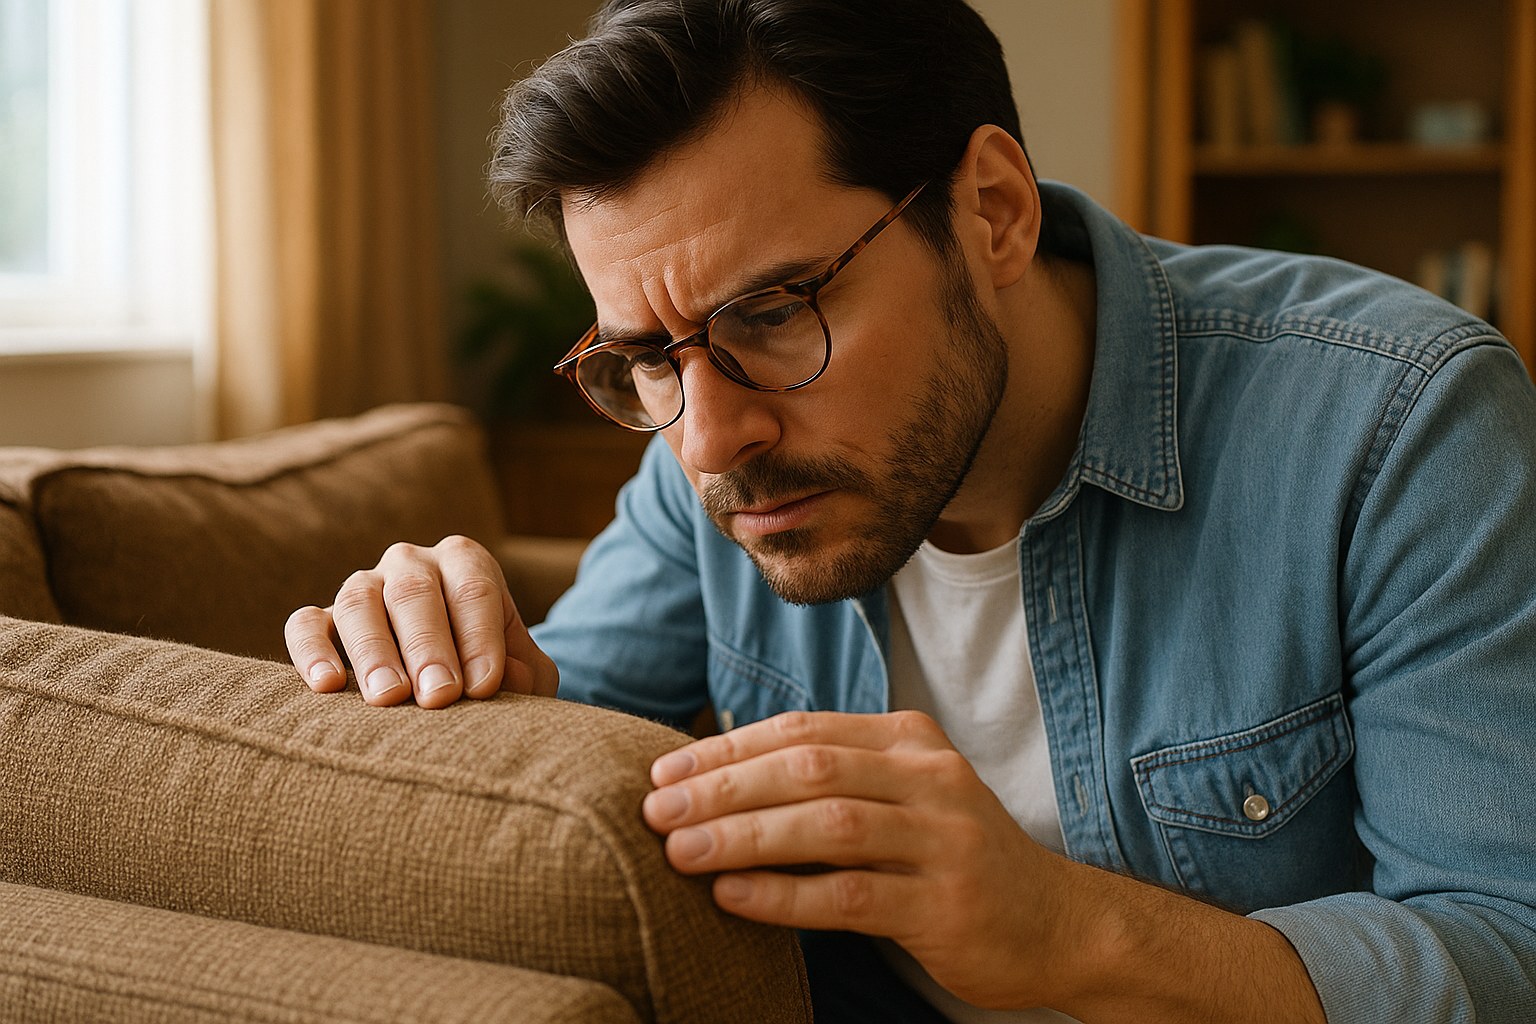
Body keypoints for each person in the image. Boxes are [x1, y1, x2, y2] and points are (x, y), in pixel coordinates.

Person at [283, 1, 1536, 1020]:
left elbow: (1503, 947)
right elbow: (565, 765)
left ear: (991, 211)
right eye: (650, 360)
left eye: (775, 315)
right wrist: (439, 672)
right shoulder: (705, 454)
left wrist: (1066, 928)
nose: (709, 439)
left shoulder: (1394, 422)